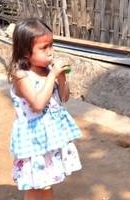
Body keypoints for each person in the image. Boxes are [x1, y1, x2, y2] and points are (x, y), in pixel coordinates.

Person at [7, 18, 81, 199]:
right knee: (34, 185)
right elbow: (38, 104)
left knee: (47, 182)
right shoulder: (21, 75)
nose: (50, 52)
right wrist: (53, 75)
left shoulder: (47, 71)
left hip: (51, 137)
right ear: (25, 52)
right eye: (43, 48)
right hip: (34, 140)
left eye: (51, 45)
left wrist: (62, 78)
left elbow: (64, 98)